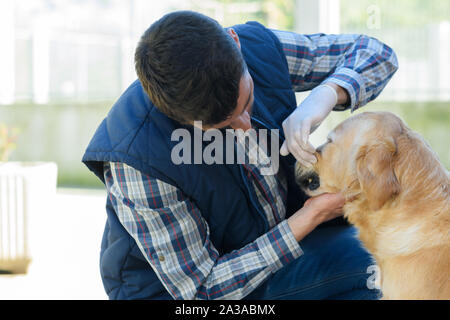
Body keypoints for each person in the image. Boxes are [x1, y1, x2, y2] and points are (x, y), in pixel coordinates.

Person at [82, 10, 398, 300]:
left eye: (246, 103)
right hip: (188, 294)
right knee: (374, 262)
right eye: (220, 126)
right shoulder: (138, 157)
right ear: (172, 114)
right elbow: (203, 289)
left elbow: (377, 54)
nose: (246, 126)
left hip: (271, 244)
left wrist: (327, 94)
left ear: (235, 42)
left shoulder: (255, 47)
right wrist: (311, 215)